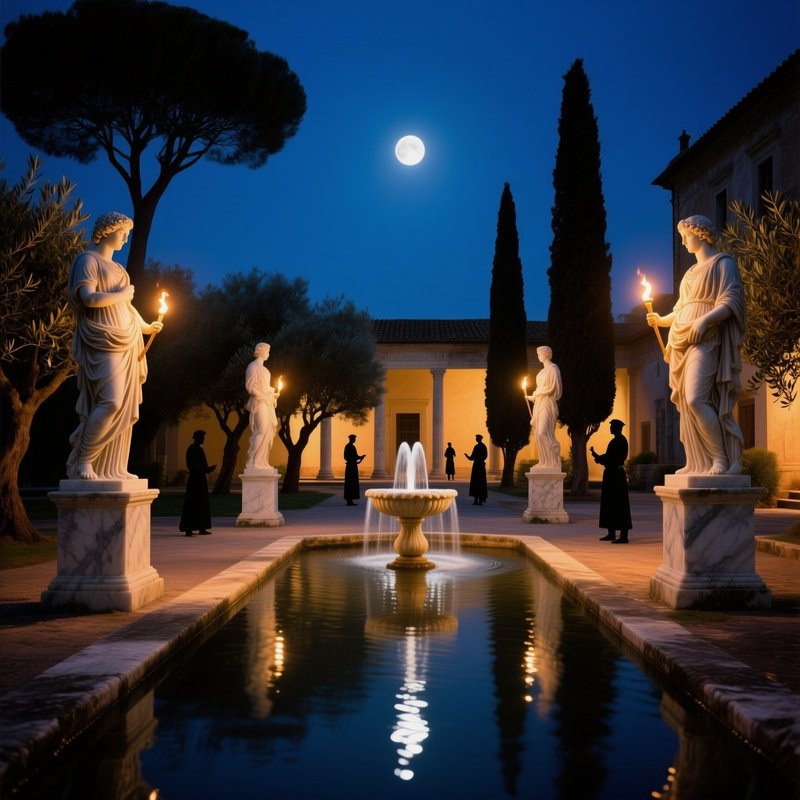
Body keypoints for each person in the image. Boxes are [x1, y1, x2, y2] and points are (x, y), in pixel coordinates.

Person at [66, 212, 163, 480]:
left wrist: (146, 326)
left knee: (122, 407)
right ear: (109, 231)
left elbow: (127, 307)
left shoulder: (120, 270)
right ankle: (85, 460)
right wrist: (120, 294)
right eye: (123, 232)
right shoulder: (88, 260)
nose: (125, 238)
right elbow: (87, 298)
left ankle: (113, 468)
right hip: (102, 340)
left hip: (127, 340)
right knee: (110, 401)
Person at [646, 215, 745, 475]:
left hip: (706, 338)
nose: (683, 242)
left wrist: (706, 320)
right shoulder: (690, 273)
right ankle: (697, 461)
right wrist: (662, 319)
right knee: (687, 405)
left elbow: (731, 300)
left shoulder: (723, 264)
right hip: (681, 340)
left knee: (695, 397)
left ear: (700, 234)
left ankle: (720, 459)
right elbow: (681, 308)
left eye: (685, 236)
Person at [590, 419, 632, 544]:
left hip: (616, 475)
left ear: (617, 428)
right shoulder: (617, 440)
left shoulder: (619, 441)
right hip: (612, 474)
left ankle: (623, 535)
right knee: (610, 503)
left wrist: (598, 458)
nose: (610, 428)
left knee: (619, 504)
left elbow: (612, 457)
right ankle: (611, 532)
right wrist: (598, 456)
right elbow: (609, 456)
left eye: (612, 426)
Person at [524, 345, 562, 470]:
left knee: (542, 432)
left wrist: (539, 393)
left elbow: (554, 389)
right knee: (537, 434)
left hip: (547, 403)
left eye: (540, 354)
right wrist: (532, 397)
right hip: (539, 404)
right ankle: (544, 462)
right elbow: (538, 391)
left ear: (546, 354)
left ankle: (554, 453)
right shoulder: (540, 373)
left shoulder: (553, 369)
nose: (538, 356)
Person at [245, 342, 280, 470]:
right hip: (259, 402)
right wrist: (262, 395)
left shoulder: (265, 370)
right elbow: (251, 386)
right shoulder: (252, 367)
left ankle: (261, 462)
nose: (268, 354)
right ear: (261, 351)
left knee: (268, 432)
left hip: (267, 403)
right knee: (262, 430)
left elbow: (265, 387)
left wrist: (272, 394)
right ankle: (251, 461)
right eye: (267, 351)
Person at [179, 430, 216, 537]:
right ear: (197, 438)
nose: (203, 439)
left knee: (202, 503)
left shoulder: (199, 449)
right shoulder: (192, 449)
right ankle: (188, 528)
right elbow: (192, 465)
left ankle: (202, 527)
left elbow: (202, 465)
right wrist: (206, 469)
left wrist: (208, 469)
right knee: (192, 503)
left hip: (201, 479)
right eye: (202, 437)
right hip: (194, 480)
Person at [465, 434, 488, 505]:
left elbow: (472, 457)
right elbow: (485, 456)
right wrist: (481, 459)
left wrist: (467, 457)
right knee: (480, 482)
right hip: (481, 466)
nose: (476, 439)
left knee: (475, 482)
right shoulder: (483, 446)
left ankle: (476, 500)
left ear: (479, 439)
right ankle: (480, 500)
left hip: (477, 466)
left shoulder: (477, 447)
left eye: (476, 438)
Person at [343, 434, 366, 505]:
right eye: (354, 438)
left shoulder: (349, 446)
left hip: (351, 466)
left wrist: (360, 457)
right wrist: (359, 457)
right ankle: (349, 500)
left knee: (351, 482)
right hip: (351, 467)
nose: (355, 440)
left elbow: (352, 456)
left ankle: (350, 500)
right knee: (351, 482)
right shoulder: (350, 446)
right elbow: (348, 456)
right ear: (351, 439)